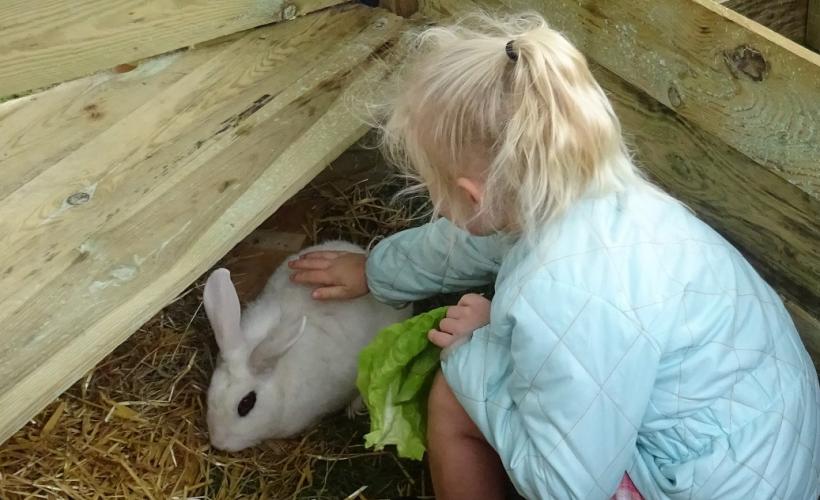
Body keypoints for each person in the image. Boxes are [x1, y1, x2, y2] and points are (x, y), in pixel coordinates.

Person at [289, 12, 820, 499]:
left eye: (434, 189)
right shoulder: (598, 196)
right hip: (763, 448)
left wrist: (474, 352)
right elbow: (474, 242)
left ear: (472, 195)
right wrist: (377, 272)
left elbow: (565, 487)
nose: (434, 202)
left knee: (453, 395)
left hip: (698, 484)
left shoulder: (560, 290)